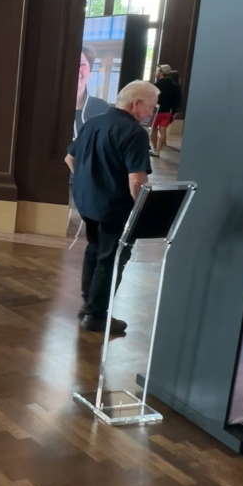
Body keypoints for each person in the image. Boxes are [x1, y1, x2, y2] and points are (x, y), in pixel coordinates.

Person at [65, 79, 158, 334]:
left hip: (87, 204)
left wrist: (90, 183)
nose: (152, 113)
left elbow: (69, 158)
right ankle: (96, 315)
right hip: (114, 208)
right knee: (112, 258)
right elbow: (137, 181)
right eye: (151, 107)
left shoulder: (93, 122)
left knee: (94, 251)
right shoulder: (135, 133)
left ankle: (89, 304)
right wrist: (142, 211)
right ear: (136, 103)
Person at [74, 45, 112, 140]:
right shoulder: (48, 106)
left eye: (82, 64)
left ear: (90, 70)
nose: (76, 70)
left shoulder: (103, 108)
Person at [150, 64, 182, 156]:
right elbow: (177, 100)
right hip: (167, 111)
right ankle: (158, 151)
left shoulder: (157, 85)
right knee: (163, 131)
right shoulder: (175, 85)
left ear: (161, 73)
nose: (156, 72)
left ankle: (154, 148)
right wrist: (174, 111)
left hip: (157, 110)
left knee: (154, 129)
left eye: (158, 70)